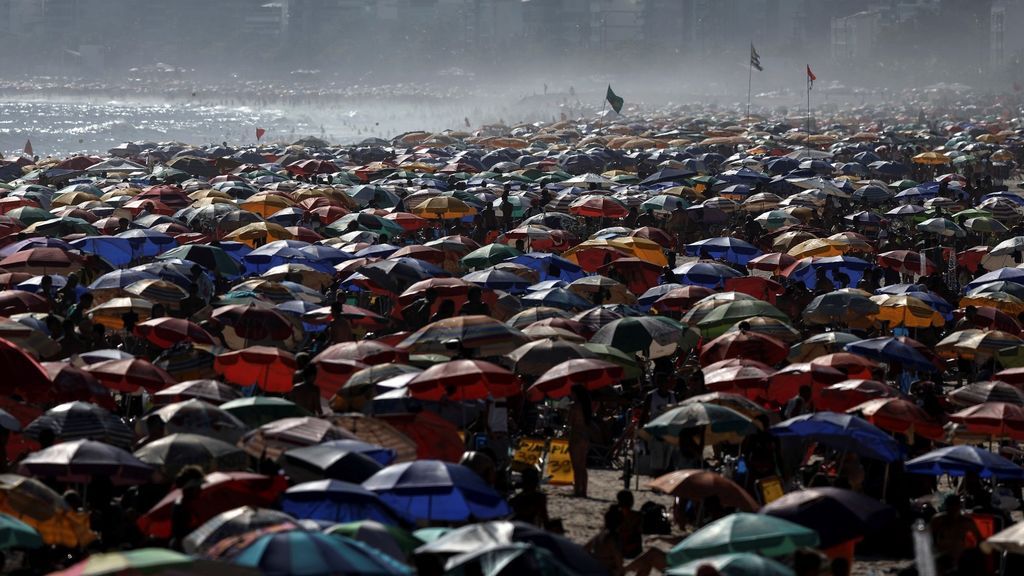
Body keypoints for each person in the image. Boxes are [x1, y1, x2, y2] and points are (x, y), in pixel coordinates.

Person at [930, 494, 983, 573]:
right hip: (941, 555)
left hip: (959, 556)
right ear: (947, 506)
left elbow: (979, 539)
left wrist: (973, 554)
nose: (953, 509)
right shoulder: (938, 520)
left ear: (959, 507)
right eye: (951, 506)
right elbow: (930, 537)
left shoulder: (966, 522)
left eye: (955, 506)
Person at [586, 506, 624, 576]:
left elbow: (585, 549)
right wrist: (620, 571)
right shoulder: (613, 538)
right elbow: (618, 557)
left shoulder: (600, 535)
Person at [568, 384, 592, 498]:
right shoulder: (587, 406)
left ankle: (577, 490)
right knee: (583, 466)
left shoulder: (574, 406)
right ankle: (584, 491)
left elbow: (570, 423)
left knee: (576, 466)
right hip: (585, 437)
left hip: (576, 436)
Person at [616, 490, 643, 559]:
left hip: (617, 549)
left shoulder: (614, 515)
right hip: (633, 550)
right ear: (631, 502)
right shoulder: (638, 516)